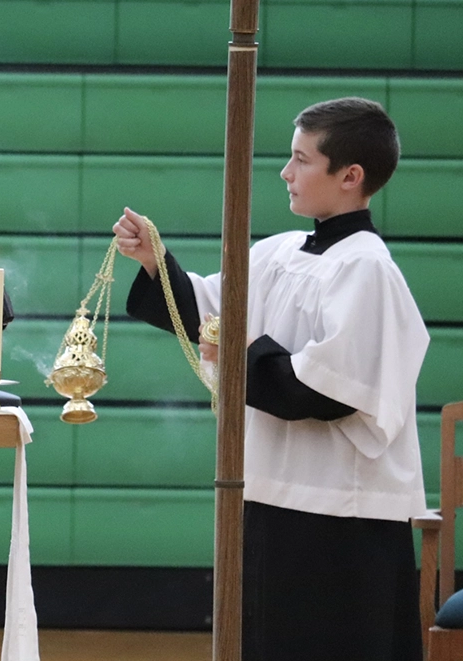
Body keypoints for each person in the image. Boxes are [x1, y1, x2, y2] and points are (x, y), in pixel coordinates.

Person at [112, 97, 426, 661]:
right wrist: (157, 262)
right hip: (269, 494)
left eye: (302, 160)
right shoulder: (279, 252)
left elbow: (325, 392)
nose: (286, 172)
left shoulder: (369, 270)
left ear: (350, 176)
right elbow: (210, 314)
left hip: (340, 519)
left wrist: (240, 351)